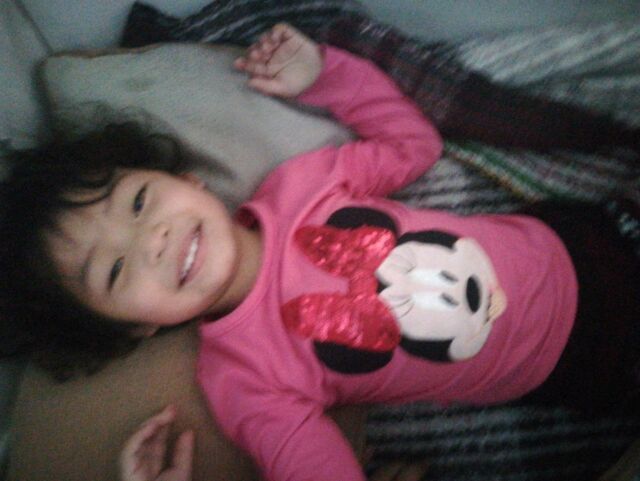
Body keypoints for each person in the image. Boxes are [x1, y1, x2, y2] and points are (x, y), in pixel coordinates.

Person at [1, 23, 639, 481]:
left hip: (580, 235)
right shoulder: (241, 381)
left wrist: (327, 74)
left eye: (139, 202)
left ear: (187, 180)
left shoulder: (299, 185)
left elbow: (413, 146)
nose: (152, 241)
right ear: (136, 327)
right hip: (588, 361)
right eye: (115, 270)